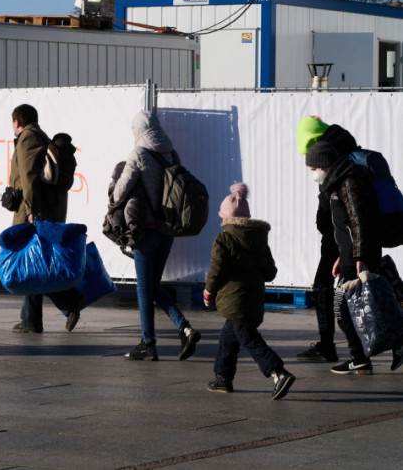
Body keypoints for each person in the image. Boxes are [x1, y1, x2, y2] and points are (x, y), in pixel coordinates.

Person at [305, 140, 403, 374]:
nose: (311, 174)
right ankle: (365, 356)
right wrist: (342, 255)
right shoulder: (338, 182)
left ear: (323, 165)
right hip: (352, 256)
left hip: (359, 258)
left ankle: (361, 357)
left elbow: (360, 221)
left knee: (342, 308)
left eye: (312, 168)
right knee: (372, 306)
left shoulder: (348, 182)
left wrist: (358, 256)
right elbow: (346, 228)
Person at [111, 110, 201, 361]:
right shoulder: (171, 153)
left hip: (145, 231)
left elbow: (119, 194)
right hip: (166, 231)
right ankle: (185, 328)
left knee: (143, 288)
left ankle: (148, 343)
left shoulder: (138, 154)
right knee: (152, 285)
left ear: (138, 131)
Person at [202, 183, 295, 400]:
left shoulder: (224, 238)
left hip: (234, 301)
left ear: (226, 218)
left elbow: (216, 270)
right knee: (228, 338)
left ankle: (278, 372)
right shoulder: (259, 238)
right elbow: (270, 272)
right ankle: (223, 378)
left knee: (249, 339)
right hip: (253, 300)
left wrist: (208, 291)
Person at [6, 104, 84, 334]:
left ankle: (69, 301)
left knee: (32, 263)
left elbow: (29, 177)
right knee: (34, 261)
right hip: (42, 209)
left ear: (17, 121)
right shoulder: (40, 136)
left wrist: (30, 210)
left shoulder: (28, 138)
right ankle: (30, 320)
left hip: (32, 211)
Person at [294, 115, 360, 362]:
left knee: (333, 294)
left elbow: (336, 208)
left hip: (340, 236)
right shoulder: (344, 150)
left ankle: (336, 348)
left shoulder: (333, 161)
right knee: (351, 291)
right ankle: (350, 350)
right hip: (341, 236)